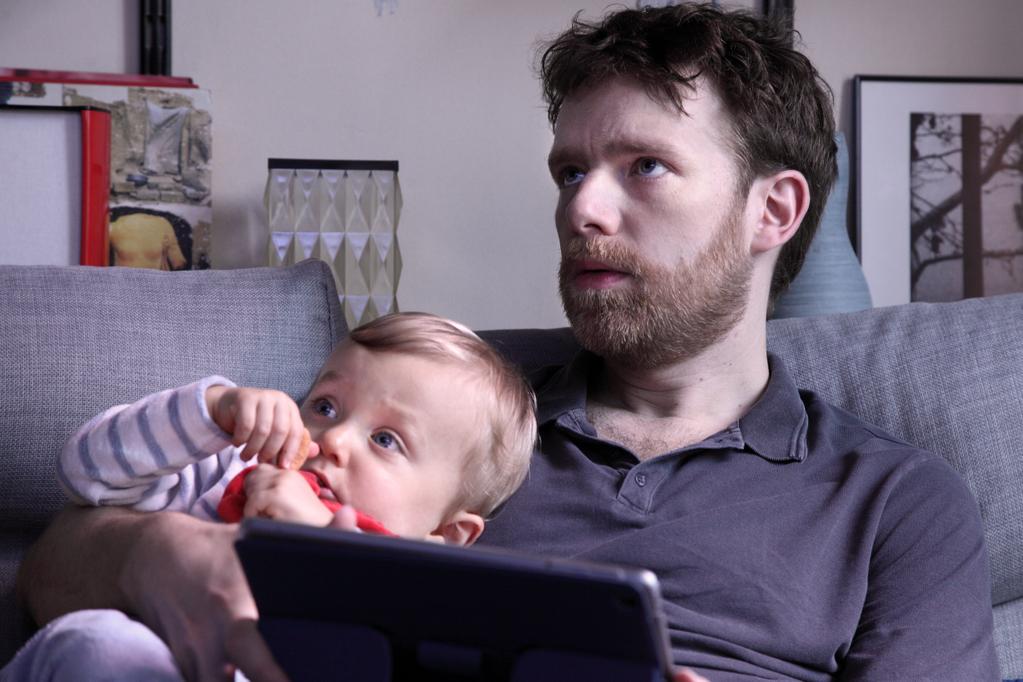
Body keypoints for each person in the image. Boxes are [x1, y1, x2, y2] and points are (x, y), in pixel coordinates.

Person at [16, 4, 998, 682]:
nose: (584, 209)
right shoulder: (443, 403)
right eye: (570, 171)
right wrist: (155, 553)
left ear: (772, 210)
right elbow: (50, 574)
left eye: (643, 167)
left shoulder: (893, 502)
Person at [8, 312, 536, 681]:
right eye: (326, 406)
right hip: (135, 658)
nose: (334, 439)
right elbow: (85, 475)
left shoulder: (418, 597)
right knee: (102, 645)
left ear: (445, 534)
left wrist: (321, 550)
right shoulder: (230, 465)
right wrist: (211, 411)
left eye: (385, 440)